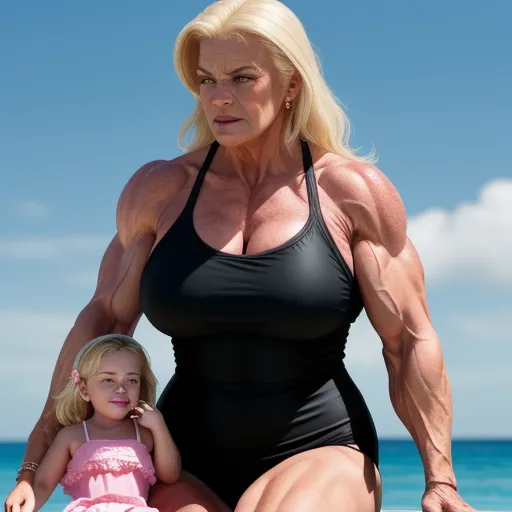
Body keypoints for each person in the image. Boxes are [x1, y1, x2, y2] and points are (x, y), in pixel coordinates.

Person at [4, 0, 475, 510]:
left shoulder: (352, 193)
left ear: (292, 83)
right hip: (177, 457)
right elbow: (102, 320)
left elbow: (408, 341)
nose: (219, 98)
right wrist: (32, 467)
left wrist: (440, 481)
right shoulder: (159, 191)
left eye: (242, 78)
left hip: (321, 450)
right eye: (206, 80)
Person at [13, 334, 181, 512]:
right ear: (84, 389)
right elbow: (44, 484)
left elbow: (170, 475)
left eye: (131, 380)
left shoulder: (144, 434)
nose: (121, 389)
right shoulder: (72, 436)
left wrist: (159, 426)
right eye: (108, 380)